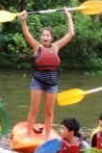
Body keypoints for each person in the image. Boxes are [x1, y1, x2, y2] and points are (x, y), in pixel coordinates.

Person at [20, 9, 75, 137]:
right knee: (34, 109)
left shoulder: (56, 47)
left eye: (47, 35)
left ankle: (47, 136)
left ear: (51, 38)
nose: (45, 37)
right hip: (38, 82)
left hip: (52, 83)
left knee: (49, 112)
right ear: (41, 37)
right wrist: (23, 20)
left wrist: (68, 16)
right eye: (43, 35)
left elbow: (71, 34)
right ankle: (28, 135)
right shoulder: (36, 47)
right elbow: (27, 34)